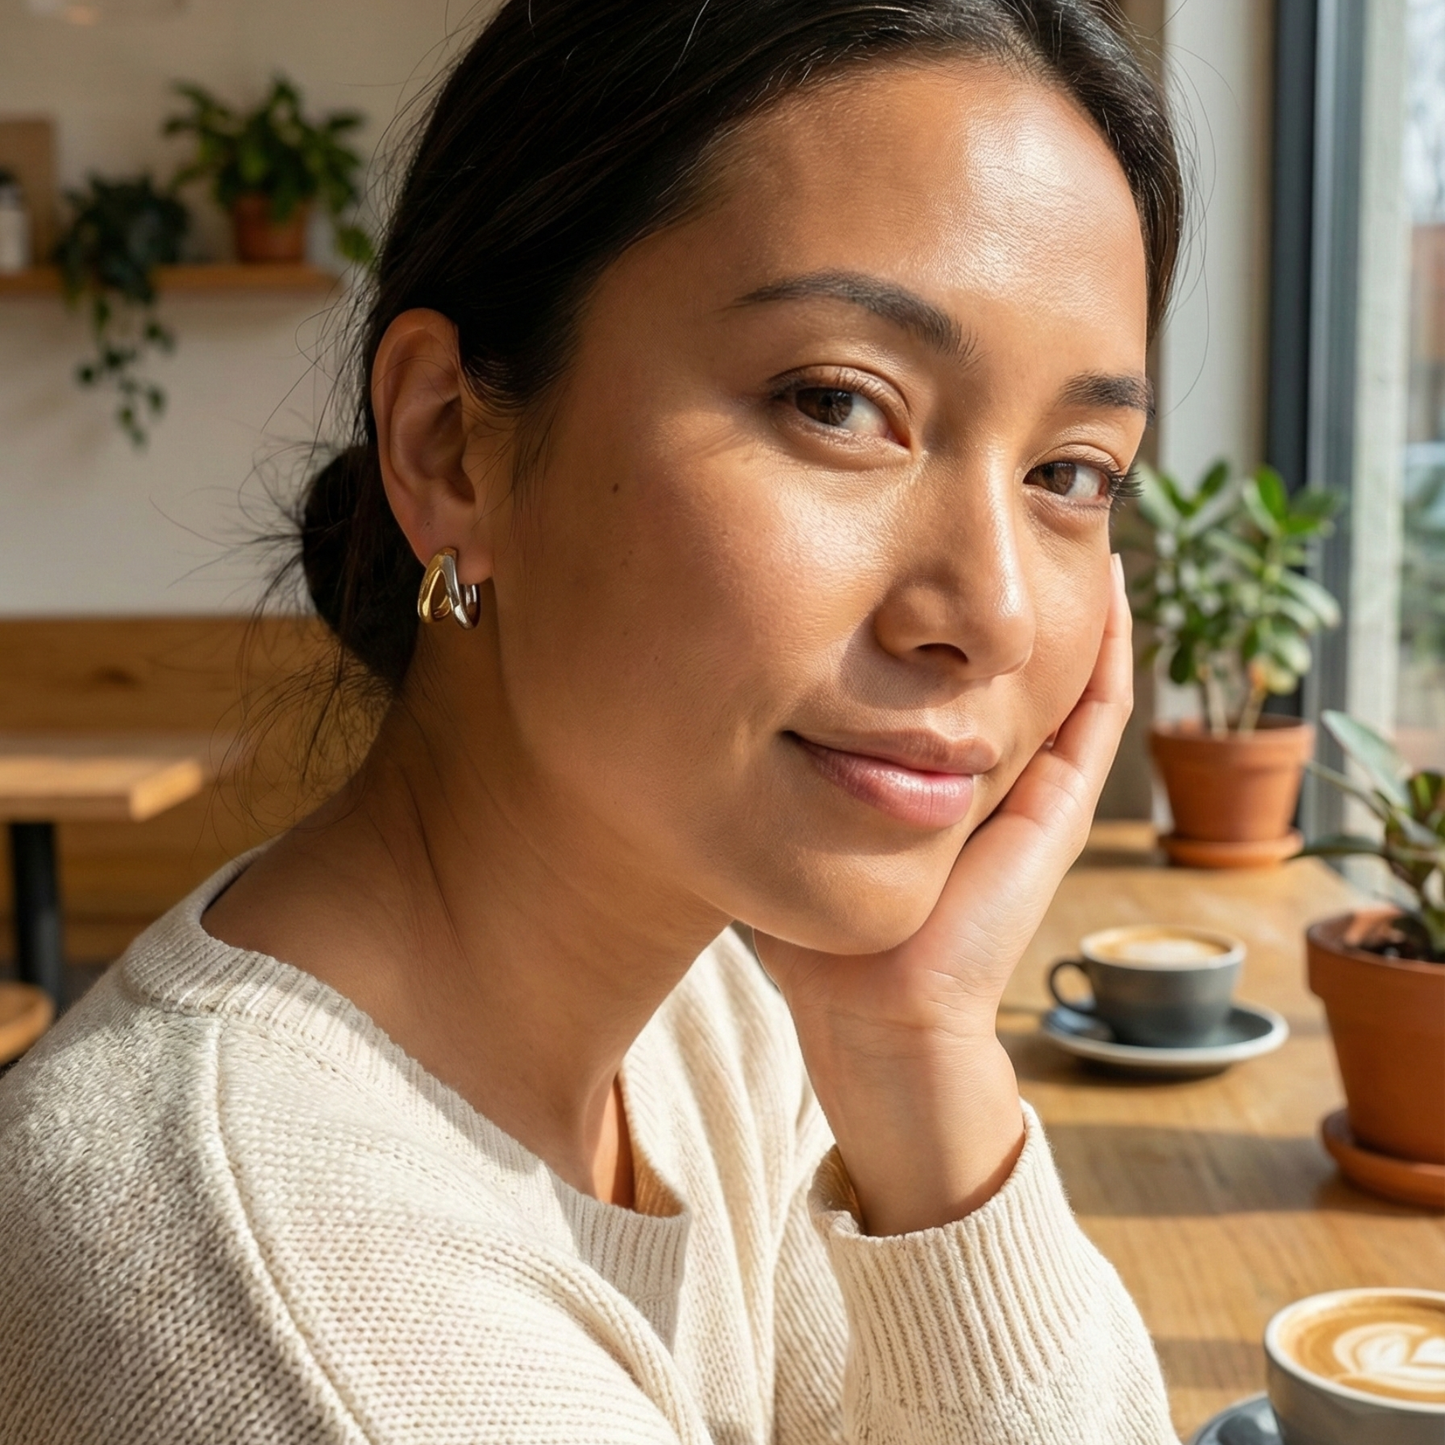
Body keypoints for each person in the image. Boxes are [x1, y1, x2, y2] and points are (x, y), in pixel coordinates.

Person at [0, 2, 1185, 1439]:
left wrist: (918, 1052)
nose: (993, 611)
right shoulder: (303, 1325)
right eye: (840, 401)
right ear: (450, 443)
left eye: (1070, 471)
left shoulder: (706, 1004)